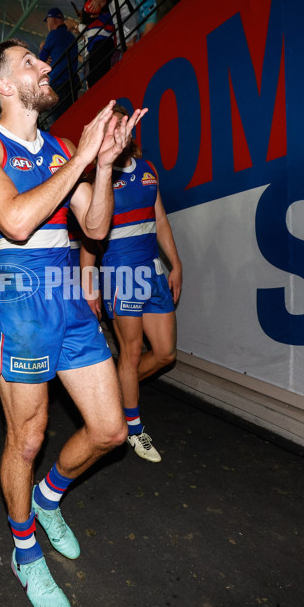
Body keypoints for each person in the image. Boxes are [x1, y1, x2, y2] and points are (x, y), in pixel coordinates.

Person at [0, 38, 146, 607]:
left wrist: (105, 164)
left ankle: (47, 498)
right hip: (18, 298)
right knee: (28, 439)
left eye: (41, 59)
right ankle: (24, 553)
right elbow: (14, 221)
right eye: (30, 63)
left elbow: (93, 225)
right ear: (5, 87)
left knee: (111, 430)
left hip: (65, 294)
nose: (44, 66)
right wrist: (78, 160)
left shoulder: (61, 146)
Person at [88, 104, 182, 462]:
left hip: (155, 272)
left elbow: (160, 221)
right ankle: (134, 428)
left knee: (165, 354)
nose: (117, 132)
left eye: (121, 125)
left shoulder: (148, 170)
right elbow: (90, 238)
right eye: (110, 127)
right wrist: (90, 282)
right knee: (128, 352)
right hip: (121, 275)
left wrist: (176, 264)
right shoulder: (99, 175)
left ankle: (113, 392)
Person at [39, 8, 80, 122]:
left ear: (52, 20)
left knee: (58, 122)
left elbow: (41, 59)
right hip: (72, 81)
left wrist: (42, 48)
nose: (47, 24)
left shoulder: (54, 34)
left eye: (47, 21)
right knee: (72, 117)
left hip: (58, 83)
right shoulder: (71, 36)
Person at [80, 0, 116, 87]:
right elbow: (85, 18)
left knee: (99, 77)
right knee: (93, 78)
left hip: (103, 39)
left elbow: (85, 18)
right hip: (94, 43)